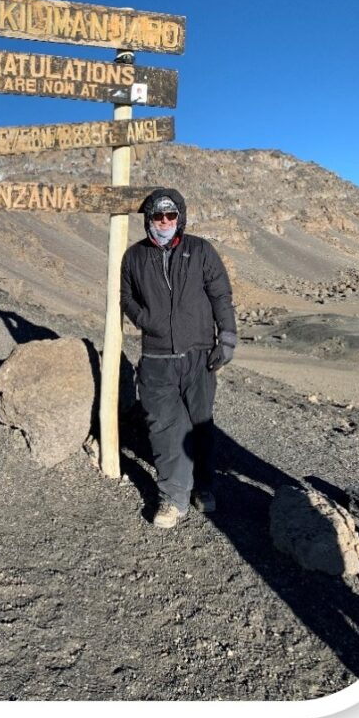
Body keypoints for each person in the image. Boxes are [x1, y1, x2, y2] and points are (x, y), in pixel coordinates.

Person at [120, 188, 237, 529]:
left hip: (199, 354)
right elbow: (126, 296)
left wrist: (226, 338)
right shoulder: (135, 256)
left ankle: (202, 485)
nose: (165, 222)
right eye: (158, 216)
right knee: (164, 428)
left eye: (171, 216)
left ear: (180, 218)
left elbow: (220, 294)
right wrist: (145, 320)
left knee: (199, 426)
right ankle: (173, 499)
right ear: (149, 220)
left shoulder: (200, 251)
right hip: (156, 357)